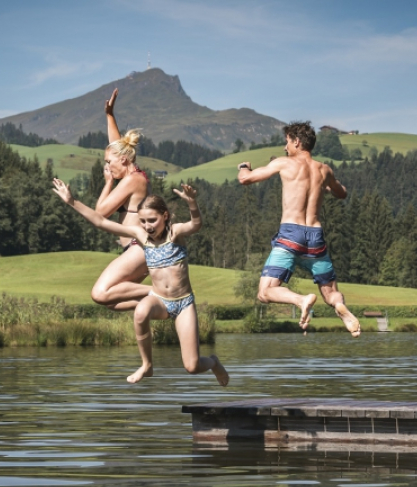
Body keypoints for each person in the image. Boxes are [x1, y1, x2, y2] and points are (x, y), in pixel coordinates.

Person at [52, 178, 229, 386]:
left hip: (184, 304)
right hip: (159, 301)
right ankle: (147, 365)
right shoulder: (141, 236)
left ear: (165, 216)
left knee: (192, 366)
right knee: (141, 311)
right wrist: (72, 201)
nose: (147, 226)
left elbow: (196, 224)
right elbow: (101, 222)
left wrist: (192, 203)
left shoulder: (176, 234)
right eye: (143, 221)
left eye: (152, 220)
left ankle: (214, 363)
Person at [237, 121, 361, 337]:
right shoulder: (324, 169)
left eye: (287, 143)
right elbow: (342, 193)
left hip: (290, 235)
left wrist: (243, 166)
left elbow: (246, 179)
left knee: (265, 292)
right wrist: (327, 184)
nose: (285, 148)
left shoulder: (285, 163)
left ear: (296, 141)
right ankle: (341, 307)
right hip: (316, 237)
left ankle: (301, 300)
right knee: (331, 293)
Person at [90, 88, 151, 311]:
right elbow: (116, 146)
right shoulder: (132, 172)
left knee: (99, 293)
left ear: (123, 160)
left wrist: (107, 182)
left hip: (139, 248)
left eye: (108, 162)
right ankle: (164, 302)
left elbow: (100, 214)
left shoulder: (132, 181)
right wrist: (109, 115)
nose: (107, 166)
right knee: (112, 302)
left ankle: (166, 291)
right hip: (134, 250)